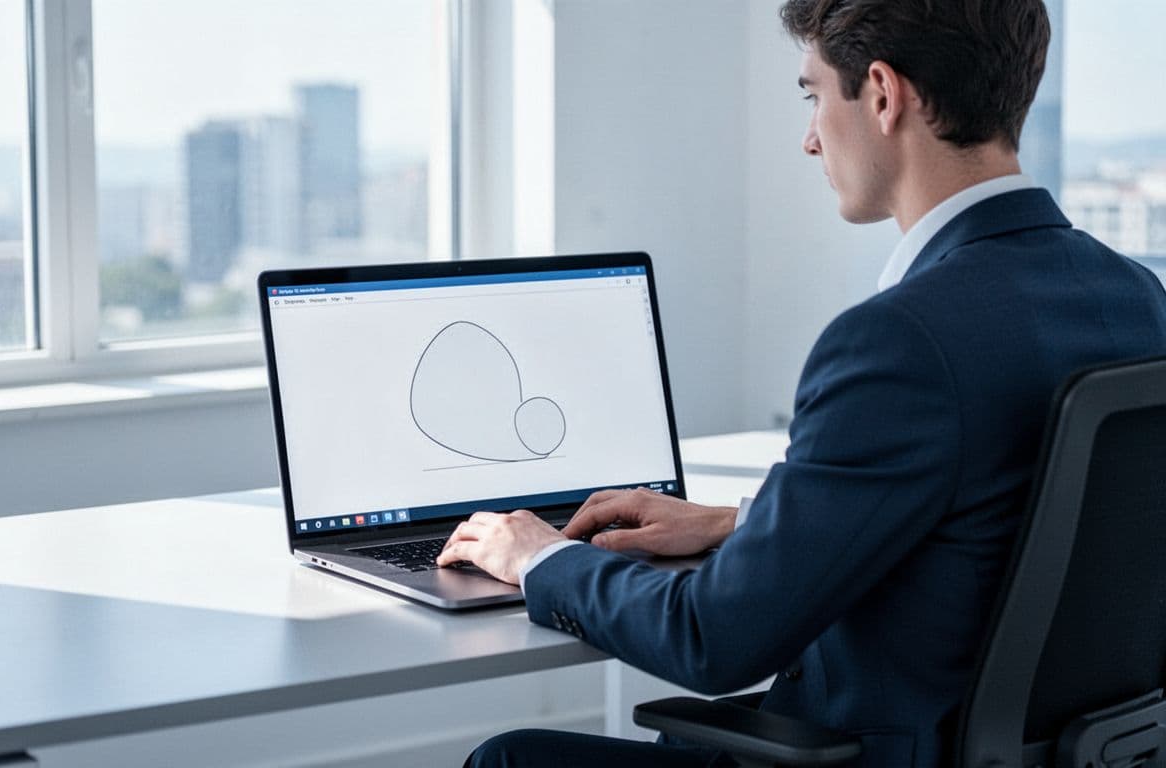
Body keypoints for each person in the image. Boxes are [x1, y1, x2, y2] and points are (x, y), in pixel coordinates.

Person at [436, 0, 1166, 766]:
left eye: (814, 95)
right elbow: (992, 520)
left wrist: (539, 558)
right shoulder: (1135, 298)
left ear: (882, 94)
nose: (810, 137)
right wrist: (738, 522)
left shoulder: (898, 342)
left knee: (511, 758)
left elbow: (712, 641)